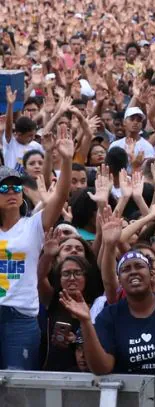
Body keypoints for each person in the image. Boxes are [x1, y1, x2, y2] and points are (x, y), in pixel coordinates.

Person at [59, 249, 155, 378]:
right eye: (126, 269)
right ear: (119, 280)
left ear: (152, 274)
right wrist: (85, 322)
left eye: (139, 266)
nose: (133, 272)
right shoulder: (109, 316)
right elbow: (102, 368)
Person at [0, 126, 74, 370]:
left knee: (18, 385)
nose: (11, 192)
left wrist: (66, 161)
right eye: (3, 188)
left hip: (20, 319)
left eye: (16, 187)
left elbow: (60, 197)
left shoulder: (33, 226)